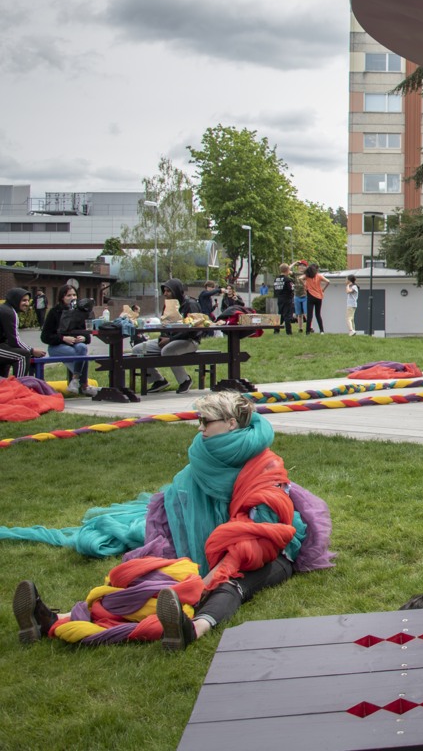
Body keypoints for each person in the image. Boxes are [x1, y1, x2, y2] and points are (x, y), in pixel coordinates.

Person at [12, 391, 333, 651]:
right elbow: (172, 513)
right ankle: (56, 618)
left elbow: (262, 536)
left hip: (272, 552)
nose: (199, 428)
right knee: (154, 576)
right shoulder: (200, 461)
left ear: (232, 423)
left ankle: (193, 628)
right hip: (209, 549)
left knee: (234, 582)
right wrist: (169, 558)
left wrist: (214, 575)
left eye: (205, 421)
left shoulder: (264, 466)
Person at [132, 278, 203, 393]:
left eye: (168, 291)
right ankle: (158, 380)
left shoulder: (191, 304)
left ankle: (185, 380)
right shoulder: (168, 306)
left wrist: (170, 339)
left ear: (176, 291)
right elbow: (164, 324)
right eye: (164, 291)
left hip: (189, 341)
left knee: (168, 351)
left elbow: (193, 330)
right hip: (170, 340)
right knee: (138, 349)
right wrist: (162, 336)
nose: (165, 294)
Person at [39, 286, 95, 395]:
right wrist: (63, 338)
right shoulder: (55, 312)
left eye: (74, 295)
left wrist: (84, 338)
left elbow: (87, 334)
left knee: (82, 348)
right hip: (57, 347)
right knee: (80, 355)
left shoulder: (81, 311)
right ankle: (84, 385)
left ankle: (75, 380)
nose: (72, 297)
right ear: (62, 297)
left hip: (77, 345)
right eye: (68, 295)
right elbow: (45, 336)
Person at [0, 289, 46, 378]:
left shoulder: (5, 309)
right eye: (24, 300)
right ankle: (19, 388)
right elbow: (15, 341)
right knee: (23, 356)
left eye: (28, 300)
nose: (27, 304)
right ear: (15, 299)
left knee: (11, 353)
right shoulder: (9, 312)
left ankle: (4, 388)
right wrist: (32, 351)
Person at [302, 264, 328, 334]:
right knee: (318, 314)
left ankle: (307, 332)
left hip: (310, 296)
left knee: (310, 315)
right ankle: (322, 331)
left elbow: (299, 278)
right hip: (319, 297)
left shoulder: (307, 276)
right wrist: (323, 289)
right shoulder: (319, 276)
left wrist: (304, 285)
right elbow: (328, 281)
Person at [272, 264, 296, 335]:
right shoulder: (288, 280)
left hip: (280, 299)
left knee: (280, 315)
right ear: (288, 271)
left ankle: (276, 330)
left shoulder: (276, 279)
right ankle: (289, 332)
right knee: (287, 316)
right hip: (287, 299)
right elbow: (292, 289)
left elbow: (275, 290)